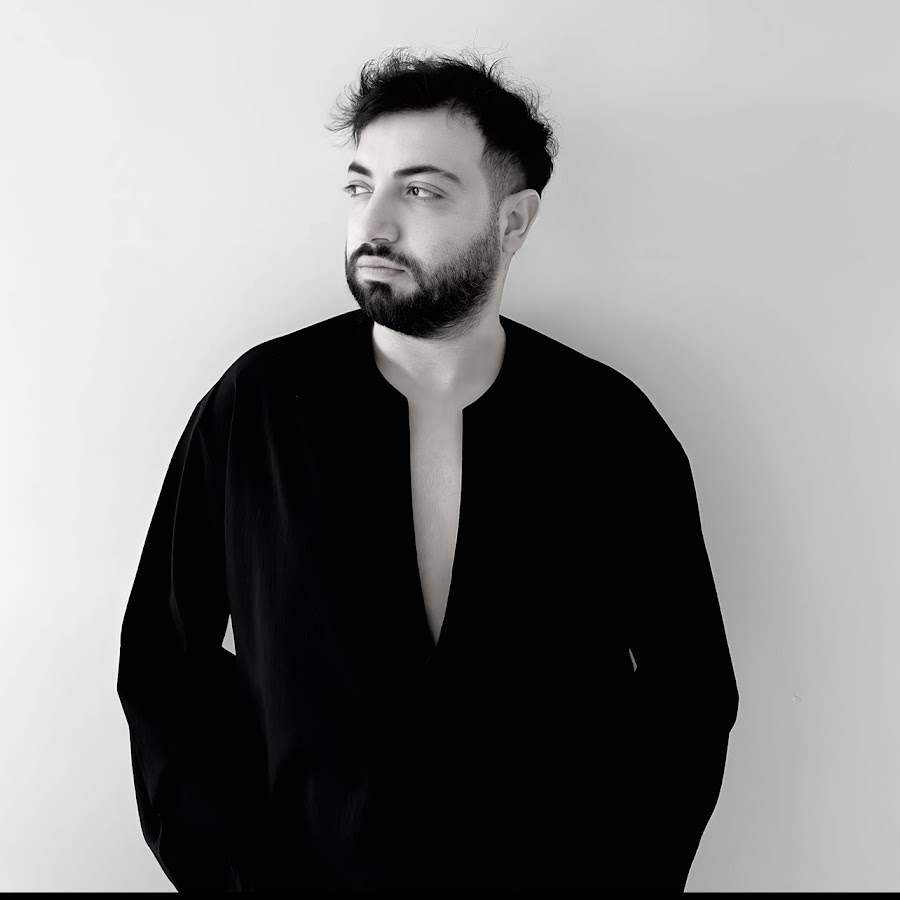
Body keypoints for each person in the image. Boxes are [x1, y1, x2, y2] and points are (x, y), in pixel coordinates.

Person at [116, 46, 740, 893]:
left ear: (513, 222)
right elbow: (163, 661)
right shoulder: (256, 405)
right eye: (359, 187)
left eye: (421, 191)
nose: (373, 224)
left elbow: (689, 694)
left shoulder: (609, 426)